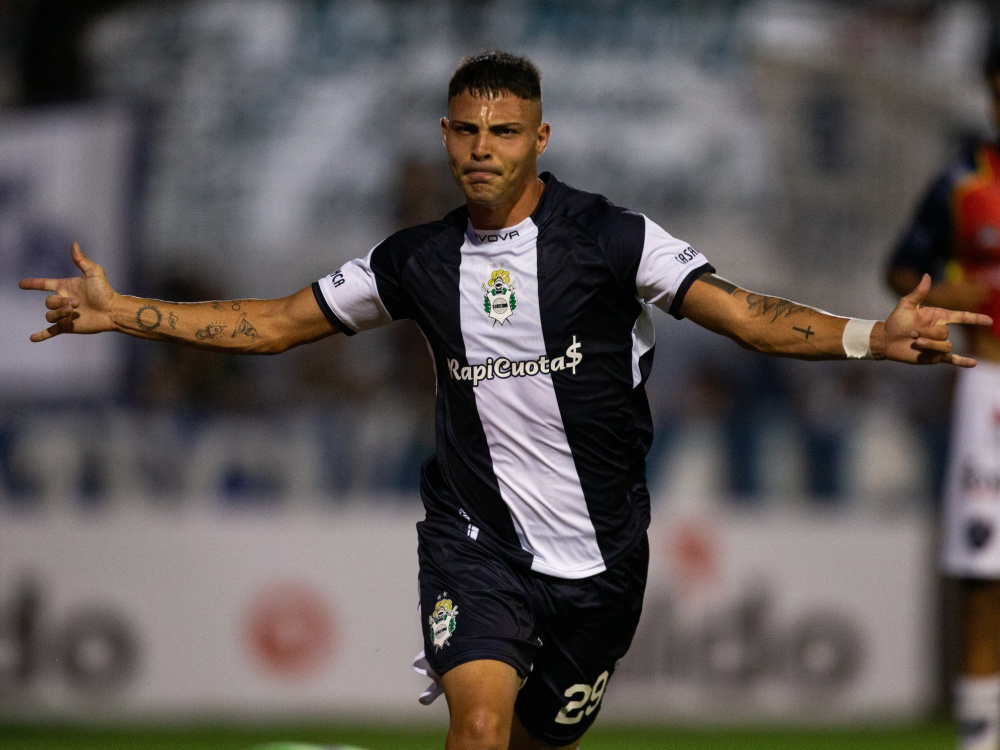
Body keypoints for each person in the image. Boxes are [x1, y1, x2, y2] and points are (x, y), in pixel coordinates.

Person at [21, 51, 991, 750]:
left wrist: (869, 336)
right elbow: (275, 323)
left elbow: (743, 315)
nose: (482, 149)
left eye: (503, 132)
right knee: (478, 731)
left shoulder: (609, 239)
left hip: (602, 561)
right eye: (467, 130)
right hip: (474, 540)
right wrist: (121, 310)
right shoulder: (415, 261)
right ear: (446, 136)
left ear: (539, 138)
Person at [886, 34, 1000, 750]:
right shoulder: (961, 180)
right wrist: (953, 293)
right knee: (983, 575)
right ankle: (979, 738)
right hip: (989, 389)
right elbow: (902, 270)